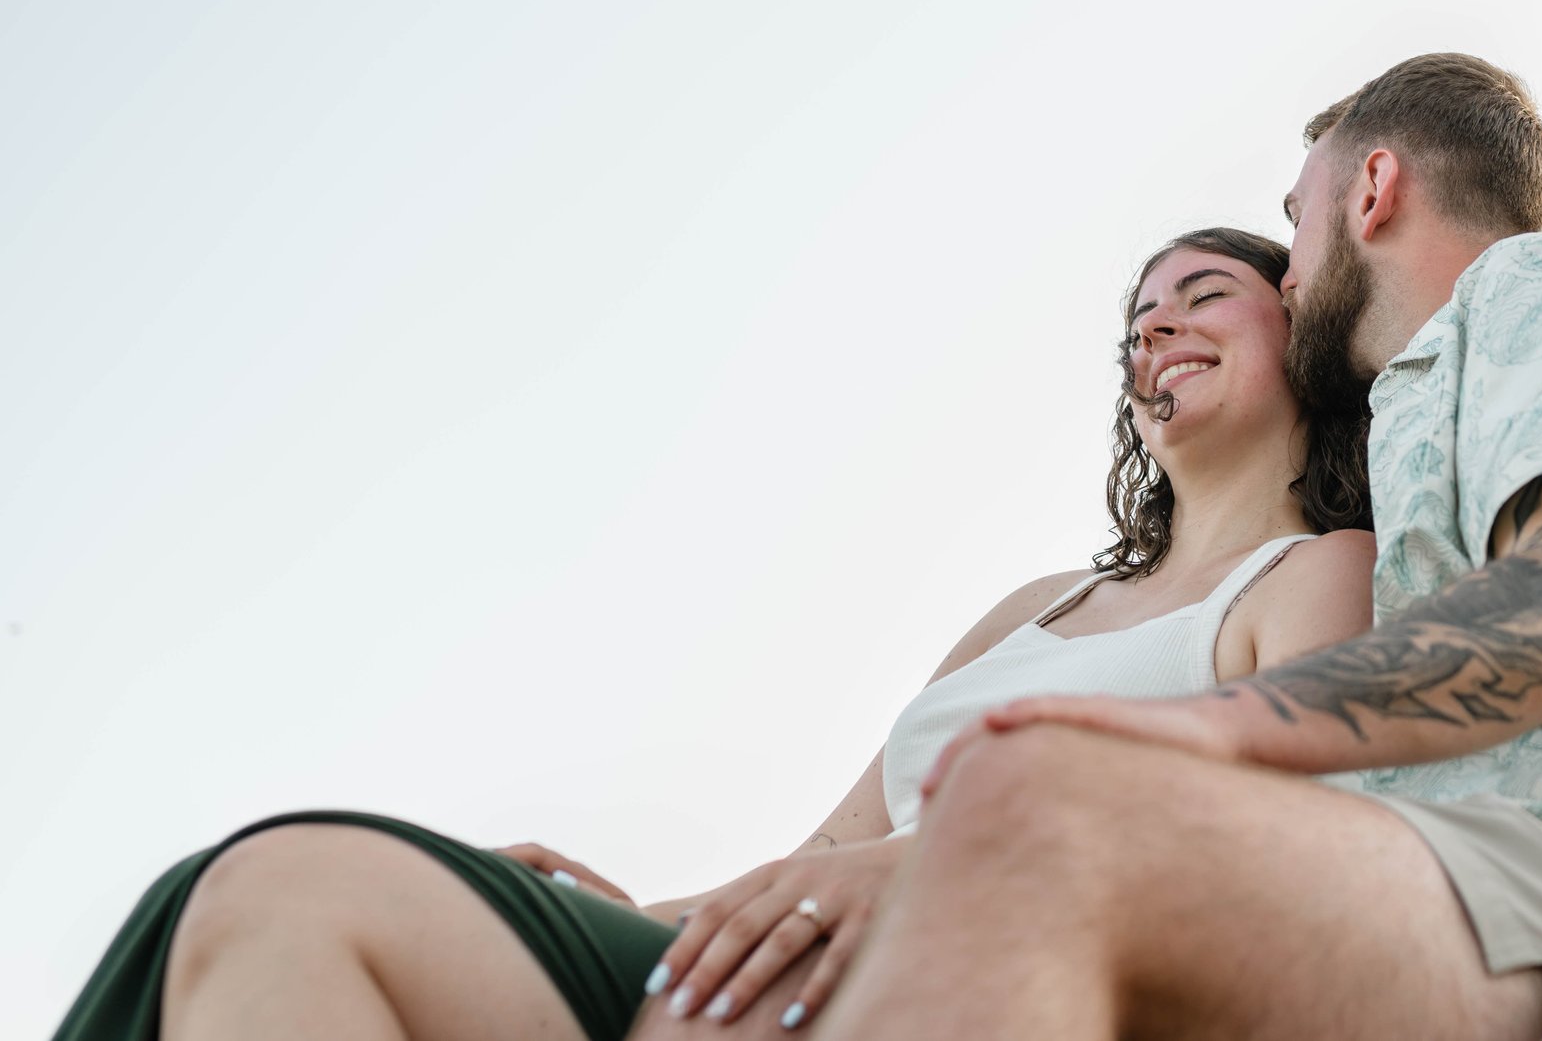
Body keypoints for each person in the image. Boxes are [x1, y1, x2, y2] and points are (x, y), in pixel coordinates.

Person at [47, 228, 1376, 1041]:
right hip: (771, 958)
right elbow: (826, 853)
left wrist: (959, 864)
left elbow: (1264, 836)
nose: (1157, 325)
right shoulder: (1034, 608)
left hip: (951, 971)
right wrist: (613, 908)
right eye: (1140, 313)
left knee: (295, 888)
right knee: (244, 899)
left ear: (1298, 327)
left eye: (1204, 293)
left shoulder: (1311, 574)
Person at [822, 53, 1542, 1041]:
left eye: (1294, 218)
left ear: (1372, 186)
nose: (1285, 274)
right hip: (1485, 901)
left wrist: (1191, 737)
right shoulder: (1425, 415)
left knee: (1047, 807)